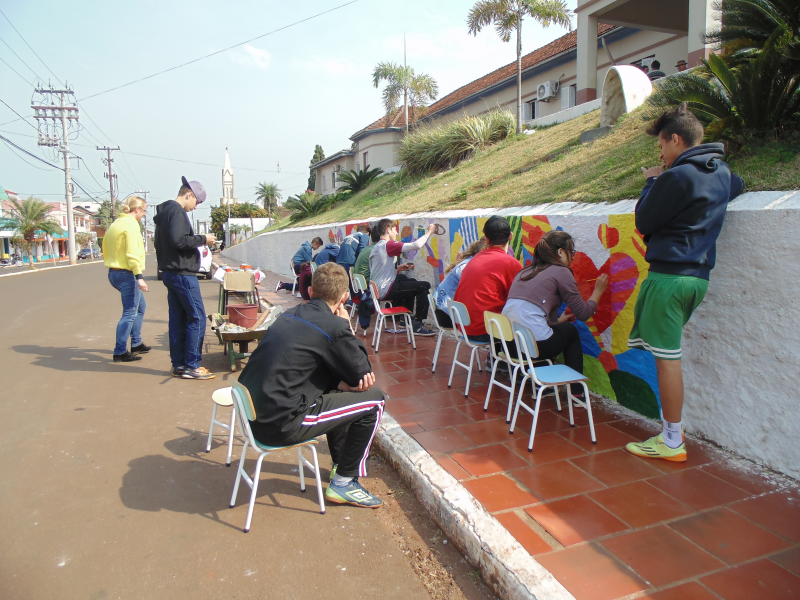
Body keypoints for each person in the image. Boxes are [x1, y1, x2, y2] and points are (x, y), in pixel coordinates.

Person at [625, 104, 743, 462]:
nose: (660, 154)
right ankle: (671, 436)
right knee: (668, 356)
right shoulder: (721, 173)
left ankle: (672, 441)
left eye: (662, 145)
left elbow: (643, 221)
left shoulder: (675, 177)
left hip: (669, 279)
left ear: (675, 139)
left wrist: (651, 180)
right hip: (697, 280)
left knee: (667, 361)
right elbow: (736, 186)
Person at [238, 263, 386, 508]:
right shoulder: (335, 326)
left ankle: (340, 465)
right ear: (344, 298)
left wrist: (342, 384)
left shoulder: (290, 314)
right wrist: (348, 328)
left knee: (337, 388)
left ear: (310, 290)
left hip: (253, 418)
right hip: (282, 425)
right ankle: (345, 482)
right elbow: (363, 375)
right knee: (375, 400)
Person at [503, 231, 609, 397]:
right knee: (570, 331)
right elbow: (583, 314)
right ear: (561, 252)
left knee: (551, 330)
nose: (573, 257)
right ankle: (576, 392)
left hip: (509, 346)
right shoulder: (561, 272)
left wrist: (558, 320)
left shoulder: (526, 271)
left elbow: (529, 314)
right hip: (532, 349)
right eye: (572, 252)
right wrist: (598, 291)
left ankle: (541, 382)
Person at [153, 177, 217, 380]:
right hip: (182, 273)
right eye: (196, 202)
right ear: (189, 194)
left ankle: (179, 364)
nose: (195, 207)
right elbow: (180, 241)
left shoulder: (165, 212)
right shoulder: (177, 212)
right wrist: (204, 239)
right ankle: (192, 365)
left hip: (170, 272)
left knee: (178, 319)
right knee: (197, 317)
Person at [452, 216, 521, 342]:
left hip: (464, 327)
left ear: (487, 239)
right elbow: (519, 299)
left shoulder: (475, 259)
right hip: (487, 330)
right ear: (511, 236)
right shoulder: (511, 263)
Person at [369, 218, 437, 336]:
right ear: (388, 230)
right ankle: (418, 325)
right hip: (385, 289)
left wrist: (397, 268)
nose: (397, 233)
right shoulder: (388, 244)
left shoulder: (377, 246)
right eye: (395, 230)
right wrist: (430, 231)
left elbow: (380, 268)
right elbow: (416, 245)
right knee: (424, 286)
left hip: (378, 289)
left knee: (411, 282)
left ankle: (404, 320)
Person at [103, 195, 150, 363]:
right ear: (137, 209)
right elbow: (132, 253)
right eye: (144, 211)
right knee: (130, 312)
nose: (144, 214)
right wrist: (139, 277)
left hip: (114, 272)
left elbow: (105, 247)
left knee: (140, 307)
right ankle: (120, 351)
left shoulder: (117, 223)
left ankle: (136, 343)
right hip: (127, 273)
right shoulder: (131, 225)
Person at [433, 239, 487, 328]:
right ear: (483, 250)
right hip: (446, 313)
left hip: (446, 309)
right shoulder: (467, 266)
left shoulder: (471, 262)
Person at [354, 224, 380, 333]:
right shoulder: (377, 249)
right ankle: (401, 318)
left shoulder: (366, 248)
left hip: (360, 286)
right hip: (368, 286)